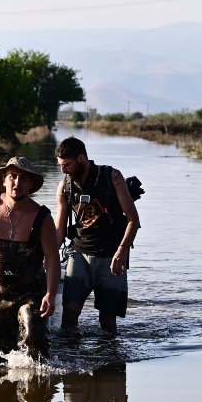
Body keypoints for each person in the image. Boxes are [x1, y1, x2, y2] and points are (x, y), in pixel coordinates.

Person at [0, 157, 61, 358]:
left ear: (31, 184)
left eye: (23, 178)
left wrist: (50, 295)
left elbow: (53, 259)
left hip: (30, 293)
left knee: (35, 342)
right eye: (13, 177)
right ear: (4, 180)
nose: (17, 182)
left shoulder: (42, 217)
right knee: (0, 357)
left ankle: (38, 386)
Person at [53, 137, 140, 335]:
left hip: (111, 255)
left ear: (81, 159)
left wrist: (122, 250)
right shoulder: (64, 186)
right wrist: (48, 257)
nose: (62, 170)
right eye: (60, 165)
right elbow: (59, 230)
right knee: (70, 313)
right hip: (78, 254)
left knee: (107, 320)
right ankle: (70, 360)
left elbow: (133, 220)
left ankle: (109, 360)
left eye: (66, 165)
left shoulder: (112, 177)